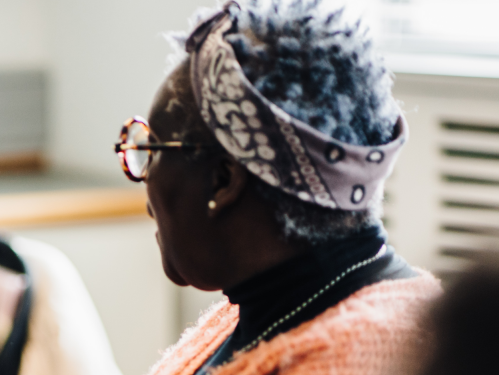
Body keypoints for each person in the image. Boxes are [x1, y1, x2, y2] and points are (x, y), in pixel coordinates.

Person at [111, 1, 441, 374]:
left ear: (223, 179)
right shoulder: (273, 306)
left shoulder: (340, 362)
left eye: (152, 150)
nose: (147, 182)